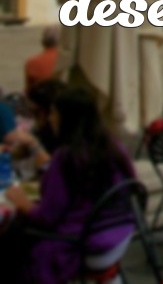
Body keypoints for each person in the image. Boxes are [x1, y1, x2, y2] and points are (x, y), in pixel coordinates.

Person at [3, 87, 137, 284]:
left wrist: (22, 202)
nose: (50, 118)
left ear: (67, 117)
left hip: (86, 242)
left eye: (54, 113)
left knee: (14, 238)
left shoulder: (67, 158)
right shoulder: (114, 145)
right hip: (121, 233)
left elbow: (46, 218)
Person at [23, 26, 60, 93]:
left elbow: (28, 91)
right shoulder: (65, 61)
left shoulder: (32, 63)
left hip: (42, 99)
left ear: (43, 41)